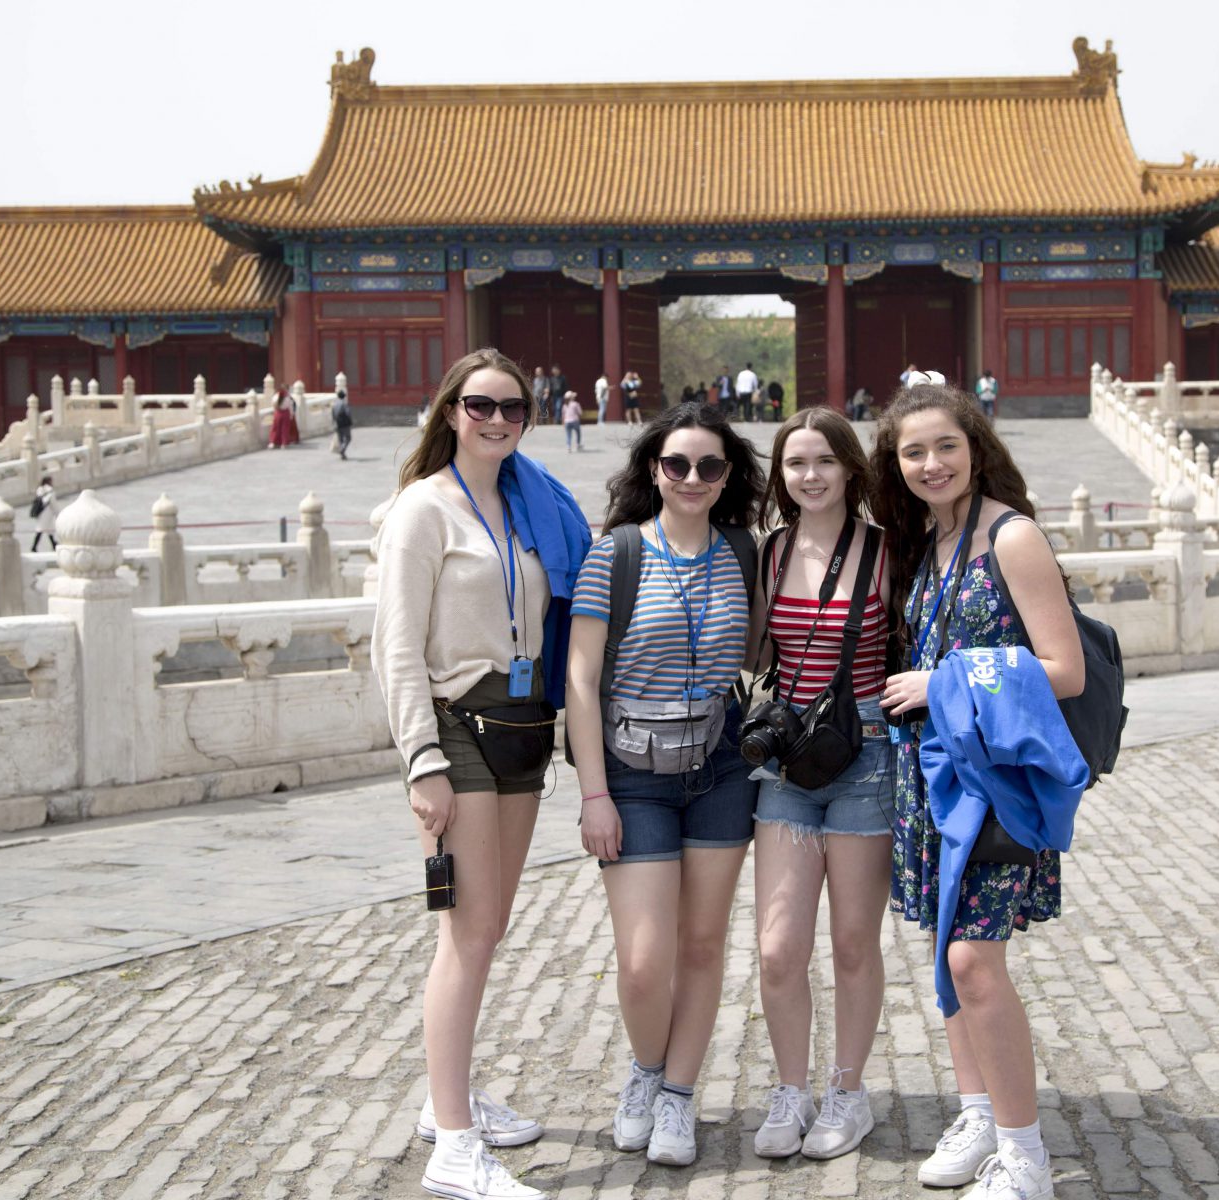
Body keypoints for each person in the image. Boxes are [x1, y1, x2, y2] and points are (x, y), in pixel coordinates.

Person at [374, 347, 591, 1200]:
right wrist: (420, 762)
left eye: (513, 409)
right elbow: (396, 648)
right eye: (479, 406)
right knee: (467, 932)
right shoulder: (423, 511)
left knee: (489, 921)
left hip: (522, 725)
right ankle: (455, 1147)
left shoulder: (532, 506)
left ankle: (447, 1096)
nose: (496, 421)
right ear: (449, 411)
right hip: (456, 725)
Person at [870, 378, 1086, 1200]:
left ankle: (1025, 1154)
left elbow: (1062, 671)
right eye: (913, 452)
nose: (931, 464)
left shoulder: (1012, 537)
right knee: (946, 956)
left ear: (976, 448)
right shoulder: (926, 542)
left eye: (945, 447)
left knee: (973, 961)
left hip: (995, 786)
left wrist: (941, 685)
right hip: (930, 781)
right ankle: (978, 1114)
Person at [566, 402, 766, 1168]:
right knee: (644, 959)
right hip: (631, 773)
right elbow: (581, 682)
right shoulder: (614, 554)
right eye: (677, 464)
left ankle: (679, 1096)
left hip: (718, 767)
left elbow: (762, 651)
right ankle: (646, 1073)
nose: (691, 477)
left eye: (708, 466)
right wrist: (593, 794)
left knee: (704, 942)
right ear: (655, 471)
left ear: (726, 479)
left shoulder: (743, 553)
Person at [746, 409, 894, 1161]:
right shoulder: (767, 554)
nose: (809, 476)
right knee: (779, 947)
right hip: (787, 761)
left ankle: (847, 1090)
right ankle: (790, 1089)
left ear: (850, 469)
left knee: (851, 942)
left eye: (824, 462)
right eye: (795, 463)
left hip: (865, 755)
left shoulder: (885, 552)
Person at [30, 475, 60, 552]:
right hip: (47, 512)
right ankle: (34, 546)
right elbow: (53, 503)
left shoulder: (40, 489)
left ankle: (53, 544)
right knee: (42, 529)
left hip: (41, 512)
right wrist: (57, 513)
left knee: (47, 529)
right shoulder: (50, 490)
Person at [332, 384, 354, 461]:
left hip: (338, 423)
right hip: (345, 423)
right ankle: (342, 449)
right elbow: (348, 413)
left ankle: (343, 453)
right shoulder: (344, 404)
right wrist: (350, 421)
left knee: (341, 439)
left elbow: (333, 415)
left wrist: (334, 423)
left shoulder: (334, 404)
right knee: (348, 438)